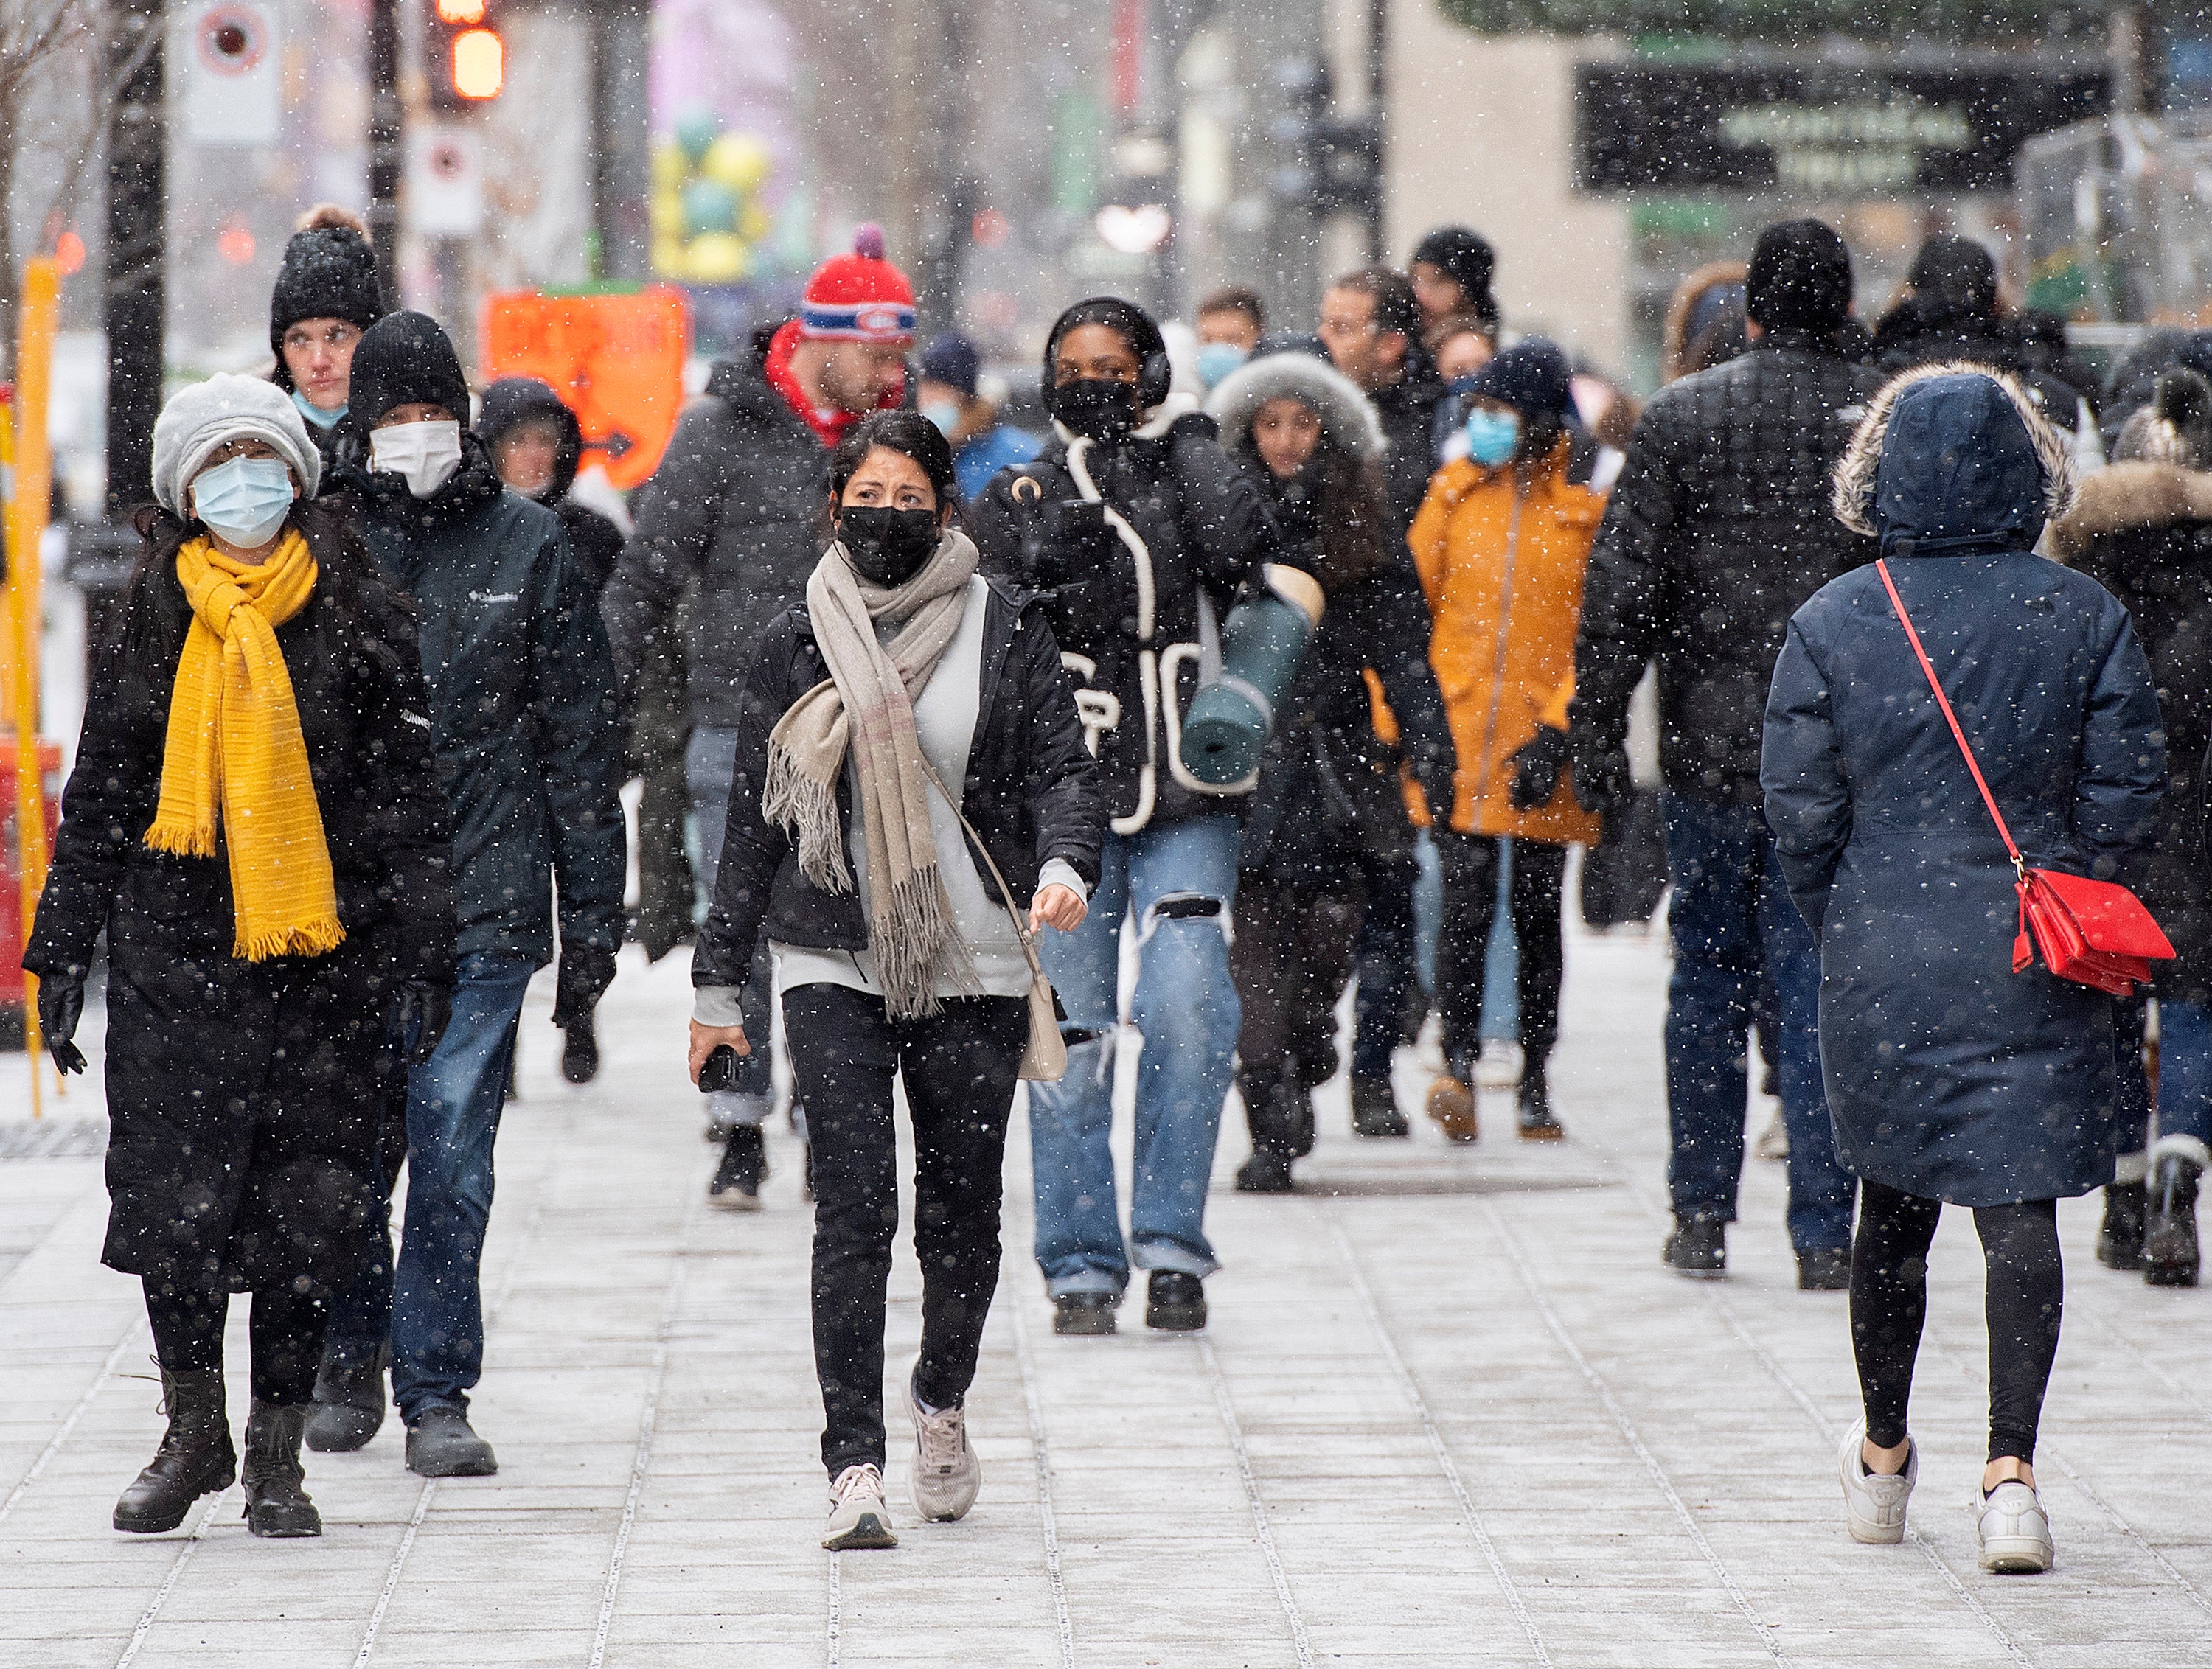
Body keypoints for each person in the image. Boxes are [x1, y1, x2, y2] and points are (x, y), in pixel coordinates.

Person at [24, 374, 456, 1539]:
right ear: (183, 489)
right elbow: (109, 788)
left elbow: (410, 793)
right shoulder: (151, 614)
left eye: (263, 459)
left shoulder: (357, 605)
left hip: (325, 954)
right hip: (175, 960)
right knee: (175, 1204)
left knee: (310, 1207)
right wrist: (59, 947)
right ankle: (192, 1433)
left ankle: (275, 1455)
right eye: (220, 465)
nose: (245, 484)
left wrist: (423, 944)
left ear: (300, 477)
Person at [1764, 363, 2162, 1575]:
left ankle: (1885, 1459)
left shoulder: (1836, 617)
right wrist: (2066, 869)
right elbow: (2129, 792)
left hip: (1885, 943)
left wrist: (1852, 910)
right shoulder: (2082, 612)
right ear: (2028, 469)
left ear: (1877, 474)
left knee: (1892, 1198)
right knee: (2018, 1203)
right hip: (2033, 945)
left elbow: (1800, 806)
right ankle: (2012, 1476)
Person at [689, 411, 1099, 1550]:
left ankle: (941, 1400)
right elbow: (752, 827)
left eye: (908, 496)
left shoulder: (1000, 627)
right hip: (834, 956)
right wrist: (718, 989)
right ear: (833, 509)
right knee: (856, 1205)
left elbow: (1064, 768)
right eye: (865, 496)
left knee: (963, 1214)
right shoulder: (793, 638)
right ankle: (853, 1464)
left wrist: (1067, 861)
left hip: (971, 959)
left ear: (946, 508)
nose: (886, 516)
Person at [305, 312, 627, 1477]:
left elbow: (581, 743)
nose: (414, 434)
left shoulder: (526, 546)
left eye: (431, 412)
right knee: (348, 1138)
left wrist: (593, 921)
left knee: (451, 1142)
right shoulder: (321, 542)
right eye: (392, 416)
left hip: (485, 901)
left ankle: (436, 1382)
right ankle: (348, 1351)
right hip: (345, 907)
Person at [1568, 219, 1879, 1289]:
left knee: (1706, 974)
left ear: (1749, 309)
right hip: (1843, 750)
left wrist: (1597, 734)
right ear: (1843, 304)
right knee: (1818, 977)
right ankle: (1823, 1227)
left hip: (1710, 743)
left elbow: (1621, 594)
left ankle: (1700, 1208)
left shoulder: (1682, 420)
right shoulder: (1878, 423)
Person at [968, 296, 1285, 1335]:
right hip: (1065, 792)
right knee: (1070, 1033)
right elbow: (993, 610)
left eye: (1115, 364)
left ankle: (1171, 1245)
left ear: (1151, 370)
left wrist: (1182, 431)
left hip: (1187, 776)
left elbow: (1244, 545)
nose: (1093, 381)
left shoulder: (1188, 458)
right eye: (1074, 365)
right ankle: (1078, 1263)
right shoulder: (1025, 481)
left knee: (1193, 1007)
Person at [602, 229, 914, 1208]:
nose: (892, 374)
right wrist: (590, 702)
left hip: (863, 723)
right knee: (734, 927)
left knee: (845, 935)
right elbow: (649, 573)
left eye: (902, 356)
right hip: (733, 718)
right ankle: (738, 1121)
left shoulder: (897, 444)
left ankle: (833, 1116)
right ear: (821, 341)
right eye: (878, 354)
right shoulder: (720, 431)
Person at [1206, 350, 1454, 1188]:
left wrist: (1434, 750)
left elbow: (1407, 658)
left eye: (1301, 422)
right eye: (1269, 422)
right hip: (1241, 766)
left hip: (1340, 772)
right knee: (1256, 954)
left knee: (1325, 949)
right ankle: (1270, 1108)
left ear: (1329, 432)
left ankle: (1306, 1050)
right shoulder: (1215, 524)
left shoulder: (1367, 533)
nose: (1284, 440)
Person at [1411, 340, 1606, 1142]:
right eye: (1479, 409)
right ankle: (1456, 1059)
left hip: (1540, 749)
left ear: (1537, 421)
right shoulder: (1452, 498)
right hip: (1457, 736)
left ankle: (1535, 1078)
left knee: (1535, 914)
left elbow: (1596, 639)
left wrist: (1559, 729)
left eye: (1501, 411)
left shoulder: (1583, 514)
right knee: (1459, 906)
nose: (1484, 423)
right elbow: (1414, 618)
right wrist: (1412, 727)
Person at [2053, 366, 2212, 1286]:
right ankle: (2178, 1185)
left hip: (2109, 817)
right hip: (2201, 812)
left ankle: (2117, 1200)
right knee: (2193, 1002)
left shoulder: (2084, 567)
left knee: (2115, 1000)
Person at [478, 374, 633, 1082]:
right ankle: (499, 1038)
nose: (534, 457)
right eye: (518, 442)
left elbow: (621, 641)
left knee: (580, 881)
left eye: (547, 441)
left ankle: (580, 1009)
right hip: (492, 746)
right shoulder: (464, 538)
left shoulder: (591, 537)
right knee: (496, 902)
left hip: (570, 741)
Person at [1319, 268, 1446, 1115]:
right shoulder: (1294, 421)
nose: (1331, 339)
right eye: (1325, 323)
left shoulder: (1436, 436)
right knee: (1309, 897)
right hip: (1316, 700)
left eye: (1348, 325)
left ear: (1392, 342)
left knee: (1392, 888)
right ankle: (1305, 1052)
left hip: (1394, 685)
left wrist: (1427, 722)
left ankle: (1372, 1066)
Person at [268, 205, 386, 476]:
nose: (319, 361)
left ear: (371, 339)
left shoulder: (414, 438)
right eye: (299, 339)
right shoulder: (249, 443)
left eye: (339, 335)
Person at [916, 332, 1041, 502]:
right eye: (926, 385)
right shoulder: (918, 452)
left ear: (965, 396)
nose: (928, 398)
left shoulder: (1018, 454)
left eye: (940, 387)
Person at [1408, 225, 1501, 339]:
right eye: (1415, 279)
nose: (1420, 294)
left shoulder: (1500, 353)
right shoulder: (1395, 348)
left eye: (1438, 281)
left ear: (1469, 293)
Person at [1194, 285, 1266, 391]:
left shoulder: (1277, 402)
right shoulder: (1184, 399)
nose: (1218, 351)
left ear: (1259, 336)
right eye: (1208, 340)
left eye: (1233, 340)